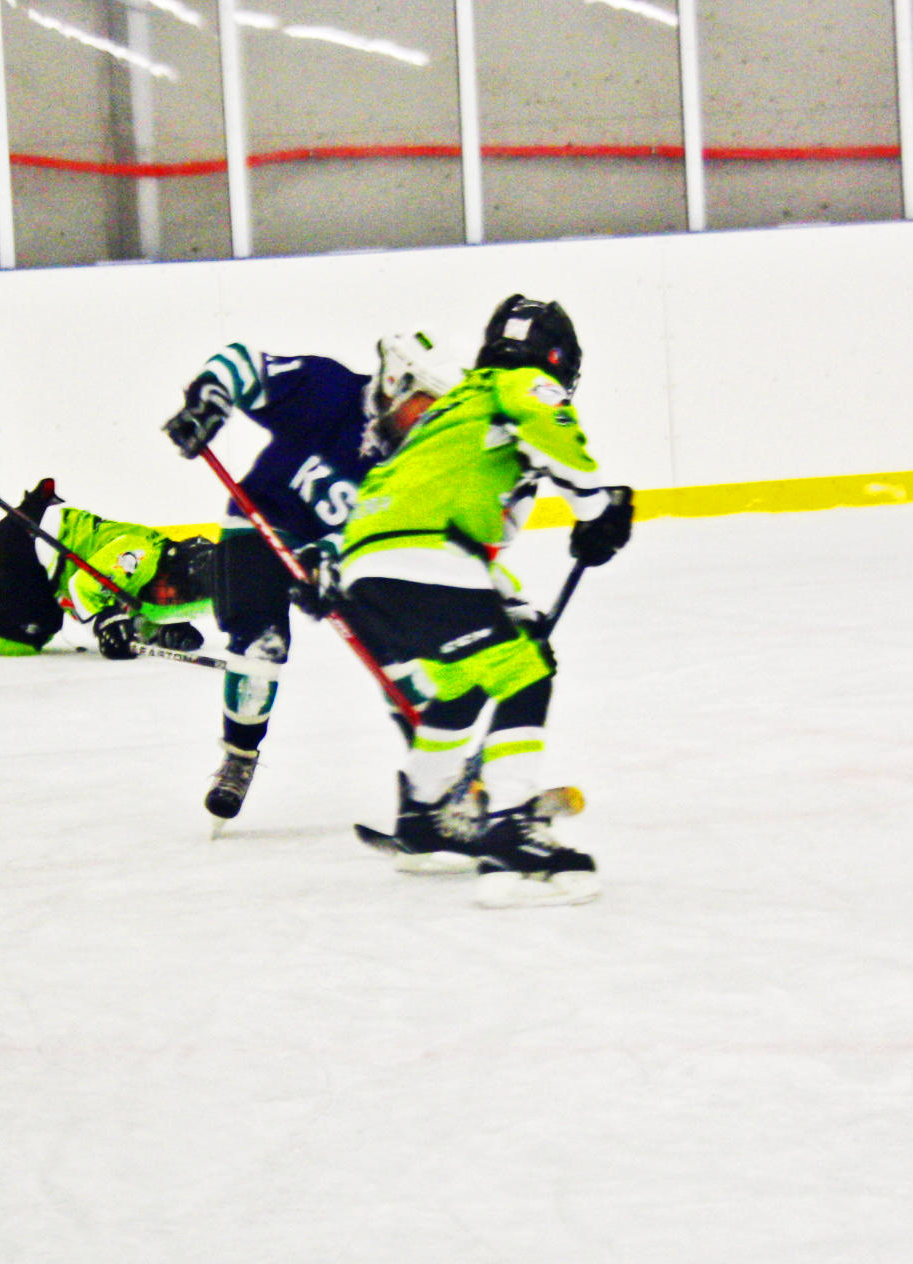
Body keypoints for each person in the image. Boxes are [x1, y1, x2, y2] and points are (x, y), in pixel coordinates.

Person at [322, 296, 633, 909]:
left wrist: (506, 605)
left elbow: (448, 514)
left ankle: (423, 818)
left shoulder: (455, 405)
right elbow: (550, 431)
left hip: (369, 567)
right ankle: (512, 828)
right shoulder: (521, 385)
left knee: (464, 685)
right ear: (558, 360)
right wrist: (599, 509)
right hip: (425, 559)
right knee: (526, 674)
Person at [162, 331, 464, 820]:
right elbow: (242, 363)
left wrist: (329, 561)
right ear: (396, 383)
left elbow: (388, 533)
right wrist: (209, 400)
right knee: (260, 646)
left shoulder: (418, 459)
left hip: (342, 552)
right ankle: (239, 754)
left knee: (400, 652)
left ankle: (442, 772)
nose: (427, 422)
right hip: (261, 523)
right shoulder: (327, 389)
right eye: (423, 406)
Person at [0, 478, 214, 658]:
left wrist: (159, 630)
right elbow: (84, 586)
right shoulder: (139, 556)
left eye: (184, 599)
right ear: (172, 564)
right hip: (26, 537)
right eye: (177, 588)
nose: (172, 599)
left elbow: (130, 611)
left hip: (48, 564)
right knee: (15, 638)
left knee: (41, 625)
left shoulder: (155, 572)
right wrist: (105, 624)